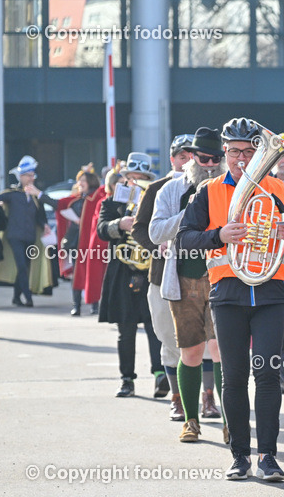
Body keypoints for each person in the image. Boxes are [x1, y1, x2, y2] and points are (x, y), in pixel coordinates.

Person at [177, 117, 284, 482]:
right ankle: (240, 456)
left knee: (268, 376)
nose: (242, 158)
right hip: (228, 294)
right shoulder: (208, 192)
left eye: (250, 151)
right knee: (234, 378)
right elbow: (183, 239)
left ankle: (269, 455)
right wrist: (218, 234)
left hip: (271, 293)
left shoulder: (281, 191)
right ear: (225, 151)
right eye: (235, 151)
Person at [151, 128, 230, 442]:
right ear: (191, 158)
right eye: (203, 158)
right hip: (184, 281)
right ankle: (191, 420)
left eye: (215, 159)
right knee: (191, 353)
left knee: (222, 350)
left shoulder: (231, 188)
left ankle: (230, 421)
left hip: (223, 277)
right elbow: (156, 232)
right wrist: (190, 214)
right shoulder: (171, 190)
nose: (209, 164)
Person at [132, 136, 196, 409]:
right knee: (168, 336)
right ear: (172, 160)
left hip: (197, 275)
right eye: (181, 157)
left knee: (201, 340)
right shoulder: (157, 188)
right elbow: (139, 228)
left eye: (192, 156)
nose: (187, 162)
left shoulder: (207, 187)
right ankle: (176, 396)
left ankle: (205, 398)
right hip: (161, 276)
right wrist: (155, 245)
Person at [97, 152, 164, 398]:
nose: (135, 183)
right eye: (131, 178)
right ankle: (127, 379)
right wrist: (120, 224)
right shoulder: (111, 203)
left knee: (155, 326)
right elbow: (101, 229)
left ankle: (160, 375)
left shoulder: (157, 200)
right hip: (122, 271)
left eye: (141, 178)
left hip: (150, 272)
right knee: (125, 330)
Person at [0, 156, 51, 307]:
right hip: (14, 236)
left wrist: (44, 225)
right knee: (21, 266)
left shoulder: (35, 195)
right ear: (21, 176)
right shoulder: (12, 193)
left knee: (24, 269)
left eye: (32, 175)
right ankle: (28, 298)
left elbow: (40, 215)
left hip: (30, 237)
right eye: (28, 175)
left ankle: (16, 297)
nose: (31, 178)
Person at [74, 168, 110, 315]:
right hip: (77, 240)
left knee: (93, 275)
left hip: (91, 241)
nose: (80, 183)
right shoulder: (78, 197)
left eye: (83, 180)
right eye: (79, 180)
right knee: (78, 275)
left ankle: (94, 305)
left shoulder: (97, 196)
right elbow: (60, 205)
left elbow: (107, 189)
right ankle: (76, 305)